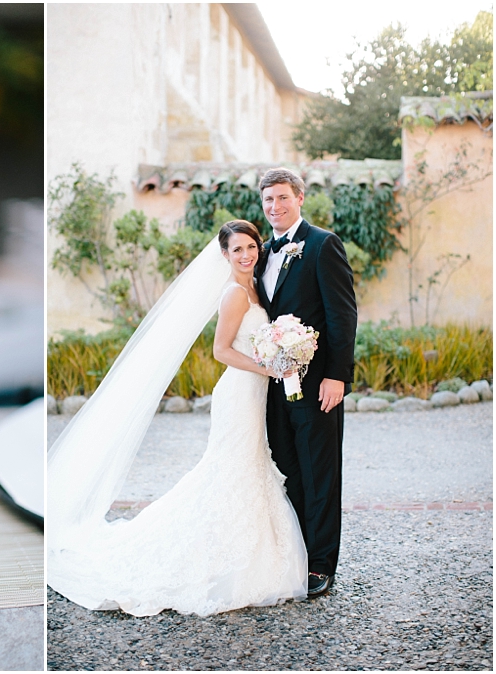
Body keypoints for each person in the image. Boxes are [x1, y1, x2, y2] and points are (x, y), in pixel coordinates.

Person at [47, 220, 308, 616]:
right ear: (224, 255)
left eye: (250, 247)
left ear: (259, 247)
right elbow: (221, 351)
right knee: (231, 469)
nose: (245, 254)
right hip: (238, 393)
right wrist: (269, 368)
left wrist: (280, 354)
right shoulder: (235, 294)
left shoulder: (256, 286)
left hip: (254, 393)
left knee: (249, 466)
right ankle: (220, 557)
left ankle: (245, 550)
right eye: (236, 250)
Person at [255, 167, 357, 597]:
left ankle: (319, 565)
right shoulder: (258, 253)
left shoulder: (322, 245)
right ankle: (293, 556)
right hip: (271, 387)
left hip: (317, 385)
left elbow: (342, 314)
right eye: (267, 201)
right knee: (287, 471)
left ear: (299, 198)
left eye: (282, 198)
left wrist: (336, 376)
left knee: (319, 473)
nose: (275, 207)